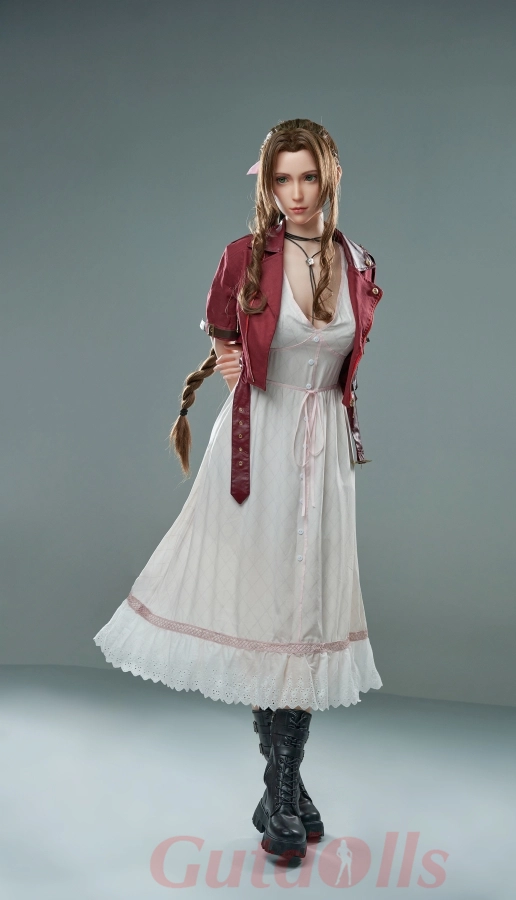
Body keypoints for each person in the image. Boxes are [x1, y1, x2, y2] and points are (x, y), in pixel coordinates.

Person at [93, 118, 384, 860]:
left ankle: (281, 789)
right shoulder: (244, 258)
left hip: (325, 450)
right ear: (268, 183)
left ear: (330, 178)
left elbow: (344, 362)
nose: (296, 193)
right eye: (282, 178)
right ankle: (285, 795)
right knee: (268, 606)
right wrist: (232, 364)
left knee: (305, 611)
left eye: (308, 177)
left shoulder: (357, 262)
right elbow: (226, 336)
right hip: (259, 442)